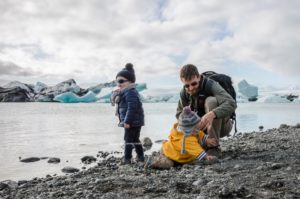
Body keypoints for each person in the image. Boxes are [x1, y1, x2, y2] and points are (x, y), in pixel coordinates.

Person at [176, 64, 237, 148]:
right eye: (187, 85)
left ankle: (213, 147)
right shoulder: (184, 93)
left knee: (211, 102)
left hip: (222, 127)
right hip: (201, 129)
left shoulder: (211, 85)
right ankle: (200, 142)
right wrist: (191, 125)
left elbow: (231, 103)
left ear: (198, 77)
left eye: (194, 84)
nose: (190, 88)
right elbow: (179, 114)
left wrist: (213, 114)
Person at [146, 106, 218, 169]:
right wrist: (206, 156)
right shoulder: (186, 139)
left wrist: (206, 139)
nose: (198, 130)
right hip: (171, 154)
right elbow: (195, 149)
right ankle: (152, 162)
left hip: (181, 153)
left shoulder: (191, 131)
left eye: (198, 127)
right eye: (196, 129)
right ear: (188, 130)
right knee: (168, 164)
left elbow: (199, 133)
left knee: (195, 160)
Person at [111, 63, 145, 164]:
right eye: (117, 81)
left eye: (121, 81)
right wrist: (115, 95)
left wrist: (127, 121)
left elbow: (132, 107)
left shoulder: (130, 92)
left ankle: (127, 159)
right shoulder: (124, 92)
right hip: (135, 121)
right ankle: (141, 157)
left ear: (130, 81)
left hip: (132, 121)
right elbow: (116, 101)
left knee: (128, 139)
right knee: (135, 139)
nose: (118, 83)